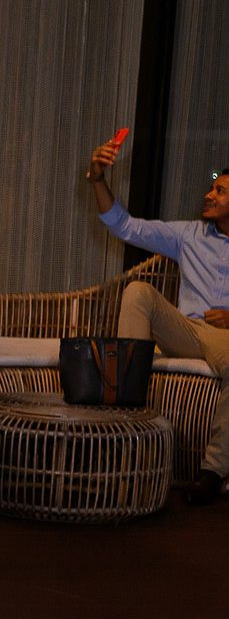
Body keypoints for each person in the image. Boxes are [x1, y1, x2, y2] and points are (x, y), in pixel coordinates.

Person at [87, 136, 229, 505]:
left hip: (225, 339)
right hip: (186, 329)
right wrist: (97, 178)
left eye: (220, 191)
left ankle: (212, 473)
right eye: (212, 188)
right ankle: (123, 428)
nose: (208, 195)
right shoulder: (189, 235)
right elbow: (124, 226)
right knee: (138, 291)